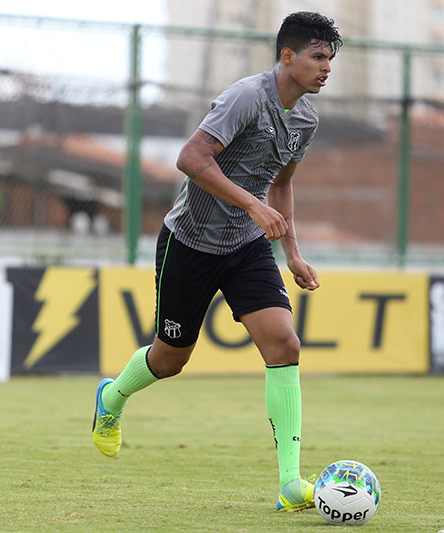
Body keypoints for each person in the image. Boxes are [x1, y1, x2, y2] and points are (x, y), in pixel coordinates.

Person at [91, 11, 341, 511]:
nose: (326, 67)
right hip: (190, 242)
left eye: (330, 59)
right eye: (318, 56)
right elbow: (190, 158)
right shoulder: (245, 97)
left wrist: (292, 251)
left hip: (246, 245)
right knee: (170, 359)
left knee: (284, 342)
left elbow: (283, 183)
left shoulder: (306, 119)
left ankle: (290, 484)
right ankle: (112, 399)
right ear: (286, 56)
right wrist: (251, 202)